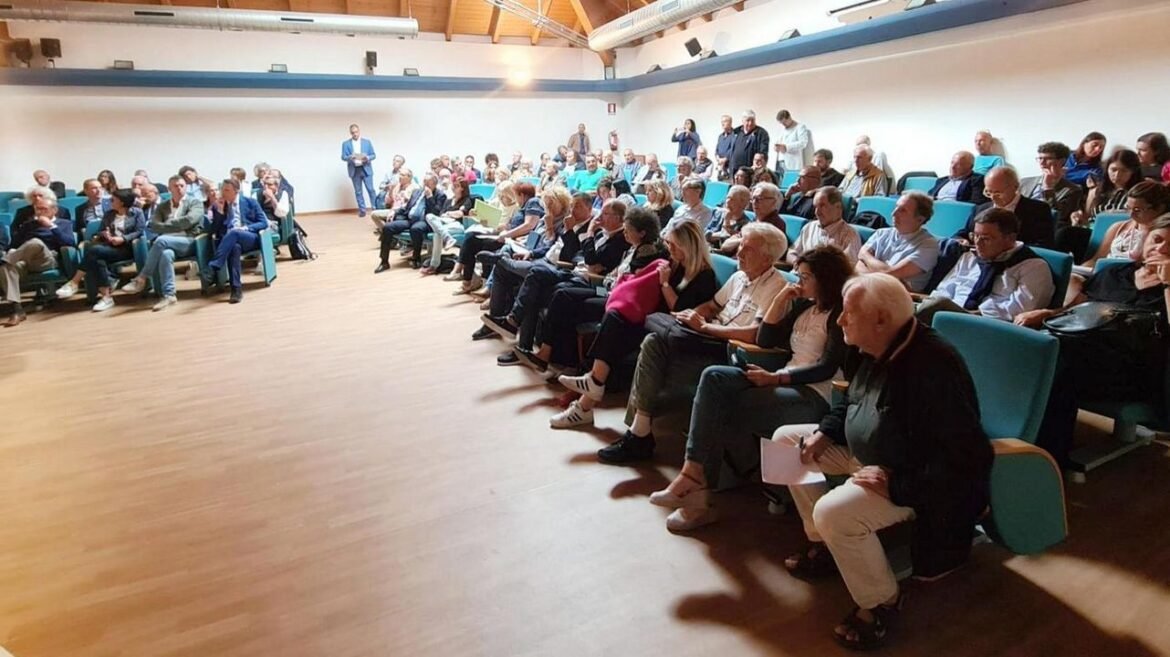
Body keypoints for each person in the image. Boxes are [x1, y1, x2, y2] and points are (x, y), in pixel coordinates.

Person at [777, 273, 992, 651]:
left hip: (909, 478)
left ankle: (882, 603)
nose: (840, 321)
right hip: (867, 456)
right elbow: (849, 399)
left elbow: (969, 457)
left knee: (834, 512)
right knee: (786, 444)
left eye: (848, 313)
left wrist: (899, 485)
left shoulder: (934, 366)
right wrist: (826, 432)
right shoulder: (866, 344)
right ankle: (824, 545)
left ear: (881, 319)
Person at [649, 245, 854, 531]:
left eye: (805, 277)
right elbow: (767, 338)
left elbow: (827, 368)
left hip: (814, 393)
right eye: (798, 276)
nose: (799, 282)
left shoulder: (840, 312)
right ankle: (693, 475)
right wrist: (783, 297)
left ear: (825, 279)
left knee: (722, 405)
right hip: (783, 377)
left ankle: (698, 493)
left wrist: (777, 379)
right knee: (714, 377)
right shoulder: (806, 305)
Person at [591, 222, 787, 464]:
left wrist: (705, 327)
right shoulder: (739, 276)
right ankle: (639, 431)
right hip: (706, 336)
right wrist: (693, 316)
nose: (739, 254)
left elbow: (754, 334)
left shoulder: (777, 286)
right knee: (653, 341)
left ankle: (637, 433)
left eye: (747, 250)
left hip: (729, 350)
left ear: (767, 257)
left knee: (653, 345)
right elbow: (713, 306)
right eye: (741, 247)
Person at [1018, 215, 1170, 467]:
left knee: (1056, 359)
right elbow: (1077, 311)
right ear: (1144, 240)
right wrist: (1047, 313)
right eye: (1157, 240)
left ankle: (1047, 459)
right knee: (1037, 350)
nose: (1161, 249)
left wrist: (1167, 283)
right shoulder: (1115, 273)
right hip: (1083, 354)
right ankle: (1017, 440)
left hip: (1135, 372)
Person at [551, 220, 718, 427]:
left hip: (668, 328)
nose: (670, 249)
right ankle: (588, 393)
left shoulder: (704, 275)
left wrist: (665, 283)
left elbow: (678, 310)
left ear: (689, 246)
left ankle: (586, 397)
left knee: (612, 329)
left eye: (674, 245)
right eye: (669, 244)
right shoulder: (675, 264)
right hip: (651, 319)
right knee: (612, 319)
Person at [526, 206, 667, 370]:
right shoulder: (633, 248)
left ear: (642, 233)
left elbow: (622, 278)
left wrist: (607, 277)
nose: (625, 233)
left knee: (572, 303)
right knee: (562, 294)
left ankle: (565, 361)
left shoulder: (646, 253)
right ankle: (549, 354)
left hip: (615, 295)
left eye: (628, 230)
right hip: (605, 287)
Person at [494, 198, 634, 362]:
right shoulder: (602, 234)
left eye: (605, 213)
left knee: (543, 284)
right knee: (535, 285)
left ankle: (518, 330)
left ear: (618, 218)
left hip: (599, 286)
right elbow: (571, 255)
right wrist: (572, 232)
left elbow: (591, 262)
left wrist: (588, 233)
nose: (600, 217)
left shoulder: (618, 240)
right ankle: (520, 340)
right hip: (576, 272)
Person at [917, 208, 1054, 325]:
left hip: (988, 324)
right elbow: (944, 291)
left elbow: (1019, 310)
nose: (978, 243)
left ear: (1010, 239)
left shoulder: (1033, 267)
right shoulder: (969, 258)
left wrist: (964, 314)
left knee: (934, 307)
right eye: (975, 236)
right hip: (948, 316)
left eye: (986, 238)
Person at [120, 175, 206, 311]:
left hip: (189, 240)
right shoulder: (163, 206)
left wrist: (168, 224)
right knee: (165, 254)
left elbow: (190, 220)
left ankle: (141, 278)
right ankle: (169, 295)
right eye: (175, 186)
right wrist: (177, 225)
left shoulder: (195, 203)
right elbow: (154, 226)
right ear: (169, 188)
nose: (179, 188)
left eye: (182, 185)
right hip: (168, 243)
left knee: (161, 240)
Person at [54, 189, 146, 311]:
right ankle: (106, 297)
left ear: (122, 202)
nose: (110, 201)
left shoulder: (137, 212)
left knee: (94, 251)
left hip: (127, 248)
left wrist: (123, 239)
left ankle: (74, 282)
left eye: (113, 200)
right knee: (97, 260)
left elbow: (139, 231)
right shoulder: (109, 214)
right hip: (109, 247)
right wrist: (106, 234)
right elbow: (101, 230)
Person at [0, 195, 77, 326]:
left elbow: (70, 243)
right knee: (6, 267)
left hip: (47, 260)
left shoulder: (63, 224)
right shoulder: (28, 225)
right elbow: (13, 245)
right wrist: (12, 251)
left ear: (54, 210)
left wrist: (52, 227)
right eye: (37, 209)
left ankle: (4, 260)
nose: (40, 212)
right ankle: (17, 309)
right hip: (23, 261)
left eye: (44, 209)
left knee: (35, 242)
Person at [1056, 149, 1144, 261]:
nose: (1117, 175)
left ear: (1133, 172)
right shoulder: (1097, 191)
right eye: (1113, 170)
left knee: (1068, 234)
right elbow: (1087, 218)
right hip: (1094, 231)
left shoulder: (1138, 194)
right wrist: (1077, 217)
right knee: (1065, 233)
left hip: (1121, 235)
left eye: (1124, 171)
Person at [455, 182, 542, 295]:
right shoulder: (524, 206)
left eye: (516, 195)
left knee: (477, 243)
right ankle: (467, 279)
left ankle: (477, 282)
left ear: (521, 195)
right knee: (471, 238)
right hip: (506, 235)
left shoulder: (532, 202)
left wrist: (506, 234)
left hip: (513, 240)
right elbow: (512, 225)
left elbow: (529, 225)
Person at [855, 191, 939, 292]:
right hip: (868, 289)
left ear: (920, 219)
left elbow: (888, 273)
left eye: (903, 210)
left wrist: (866, 258)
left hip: (897, 300)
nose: (893, 213)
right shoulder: (881, 233)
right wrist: (890, 276)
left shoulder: (928, 245)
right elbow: (859, 265)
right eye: (896, 207)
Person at [202, 179, 269, 304]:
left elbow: (263, 223)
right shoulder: (221, 205)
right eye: (222, 190)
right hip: (229, 243)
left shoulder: (250, 202)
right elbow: (215, 230)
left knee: (234, 232)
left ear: (236, 191)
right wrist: (220, 212)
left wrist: (245, 228)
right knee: (234, 248)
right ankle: (236, 290)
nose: (223, 193)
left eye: (227, 190)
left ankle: (214, 266)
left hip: (249, 237)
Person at [960, 166, 1055, 249]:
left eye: (998, 193)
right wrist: (961, 240)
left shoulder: (1037, 210)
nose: (993, 197)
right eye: (988, 192)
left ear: (1016, 187)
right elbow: (963, 233)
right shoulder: (981, 209)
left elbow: (1044, 244)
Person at [378, 172, 446, 271]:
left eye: (428, 183)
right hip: (409, 219)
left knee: (416, 229)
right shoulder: (417, 192)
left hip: (425, 221)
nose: (425, 185)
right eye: (424, 182)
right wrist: (394, 211)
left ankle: (416, 258)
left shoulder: (440, 195)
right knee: (387, 227)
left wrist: (430, 197)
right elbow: (407, 208)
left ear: (434, 184)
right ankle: (384, 262)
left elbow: (435, 213)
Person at [788, 186, 863, 265]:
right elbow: (791, 253)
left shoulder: (849, 235)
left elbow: (848, 267)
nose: (817, 212)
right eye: (815, 207)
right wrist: (797, 263)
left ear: (838, 207)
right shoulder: (809, 227)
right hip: (799, 273)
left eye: (822, 206)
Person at [1019, 141, 1084, 226]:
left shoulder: (1073, 190)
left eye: (1047, 158)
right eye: (1040, 158)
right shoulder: (1024, 182)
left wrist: (1048, 189)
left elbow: (1058, 217)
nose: (1042, 162)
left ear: (1061, 161)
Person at [421, 177, 476, 275]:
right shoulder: (448, 200)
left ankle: (434, 266)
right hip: (444, 223)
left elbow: (460, 214)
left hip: (457, 224)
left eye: (457, 186)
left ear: (463, 188)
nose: (454, 188)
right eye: (453, 186)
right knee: (429, 216)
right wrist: (448, 215)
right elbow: (441, 214)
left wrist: (449, 214)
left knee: (437, 233)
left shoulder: (466, 200)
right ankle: (447, 238)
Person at [341, 123, 377, 218]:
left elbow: (373, 155)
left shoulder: (367, 142)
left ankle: (375, 208)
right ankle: (362, 211)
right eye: (353, 133)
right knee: (358, 192)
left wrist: (367, 157)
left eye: (356, 132)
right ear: (350, 133)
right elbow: (343, 157)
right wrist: (350, 157)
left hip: (366, 169)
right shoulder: (346, 144)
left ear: (359, 131)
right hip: (355, 170)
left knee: (371, 190)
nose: (355, 134)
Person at [704, 185, 751, 254]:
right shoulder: (719, 214)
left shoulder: (746, 225)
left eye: (732, 199)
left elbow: (727, 248)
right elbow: (703, 234)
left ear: (743, 204)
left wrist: (727, 221)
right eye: (727, 198)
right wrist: (718, 235)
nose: (728, 202)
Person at [728, 110, 770, 176]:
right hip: (735, 171)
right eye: (748, 120)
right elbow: (730, 150)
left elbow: (763, 152)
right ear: (742, 121)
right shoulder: (736, 132)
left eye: (752, 120)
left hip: (752, 172)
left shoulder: (761, 133)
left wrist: (757, 165)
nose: (750, 123)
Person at [773, 109, 811, 175]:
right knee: (779, 183)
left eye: (784, 122)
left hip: (793, 162)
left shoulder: (800, 127)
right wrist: (776, 147)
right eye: (781, 123)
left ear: (789, 118)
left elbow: (803, 143)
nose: (783, 125)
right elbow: (778, 141)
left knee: (790, 183)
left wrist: (786, 147)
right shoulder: (782, 129)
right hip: (780, 161)